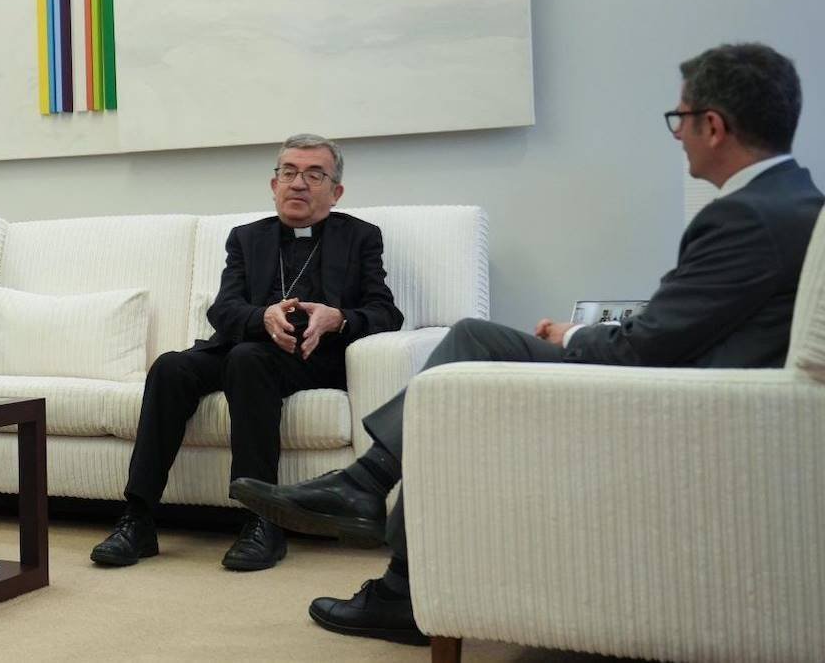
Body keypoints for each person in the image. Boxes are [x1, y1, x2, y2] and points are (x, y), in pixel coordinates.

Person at [232, 42, 823, 644]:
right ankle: (382, 540)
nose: (678, 136)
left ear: (714, 126)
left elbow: (644, 350)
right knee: (467, 364)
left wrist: (583, 337)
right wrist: (582, 333)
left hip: (681, 405)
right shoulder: (793, 202)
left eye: (681, 119)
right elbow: (685, 329)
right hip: (710, 392)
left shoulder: (744, 217)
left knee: (473, 342)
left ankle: (372, 510)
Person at [91, 134, 404, 571]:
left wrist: (339, 318)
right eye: (289, 173)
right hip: (246, 344)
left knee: (247, 360)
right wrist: (262, 317)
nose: (299, 184)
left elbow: (386, 312)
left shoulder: (360, 238)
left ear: (336, 192)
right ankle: (138, 518)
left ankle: (262, 522)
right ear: (273, 184)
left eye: (314, 175)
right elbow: (224, 307)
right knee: (170, 367)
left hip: (311, 358)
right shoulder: (246, 238)